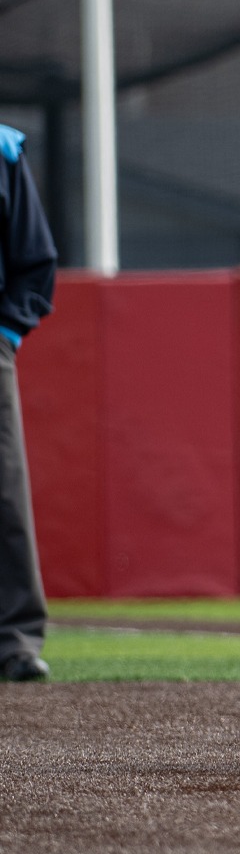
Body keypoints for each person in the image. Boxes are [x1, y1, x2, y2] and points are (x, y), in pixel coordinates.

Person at [0, 123, 57, 683]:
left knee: (4, 488)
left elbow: (35, 259)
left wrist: (7, 333)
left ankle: (15, 640)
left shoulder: (3, 151)